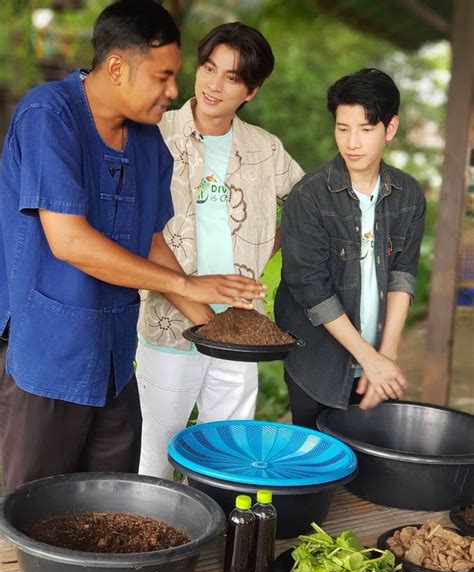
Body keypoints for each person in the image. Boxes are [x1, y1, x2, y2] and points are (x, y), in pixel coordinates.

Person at [0, 1, 264, 495]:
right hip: (48, 356)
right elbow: (70, 242)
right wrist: (184, 283)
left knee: (109, 507)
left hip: (116, 360)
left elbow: (151, 241)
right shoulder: (47, 115)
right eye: (163, 77)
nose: (173, 91)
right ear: (117, 67)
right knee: (32, 512)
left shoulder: (146, 142)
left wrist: (219, 325)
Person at [137, 22, 304, 479]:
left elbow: (309, 205)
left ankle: (218, 549)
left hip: (241, 327)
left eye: (231, 77)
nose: (214, 84)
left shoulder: (266, 149)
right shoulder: (153, 133)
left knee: (226, 458)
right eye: (209, 68)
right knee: (158, 454)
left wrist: (268, 248)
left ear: (251, 91)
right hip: (169, 324)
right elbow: (139, 234)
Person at [274, 68, 425, 427]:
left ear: (390, 129)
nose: (352, 143)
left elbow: (402, 276)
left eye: (365, 129)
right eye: (342, 129)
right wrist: (368, 358)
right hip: (317, 362)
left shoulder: (408, 195)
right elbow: (311, 289)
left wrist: (384, 357)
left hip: (376, 361)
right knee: (314, 468)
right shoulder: (308, 197)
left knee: (367, 472)